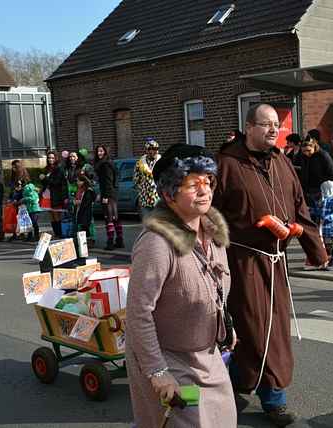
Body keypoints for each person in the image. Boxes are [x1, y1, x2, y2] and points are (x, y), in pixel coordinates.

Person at [213, 103, 328, 426]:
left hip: (276, 263)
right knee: (254, 328)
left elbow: (299, 206)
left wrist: (312, 245)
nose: (274, 130)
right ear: (249, 127)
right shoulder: (226, 164)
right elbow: (209, 215)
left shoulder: (282, 162)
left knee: (274, 329)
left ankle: (235, 380)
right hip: (241, 261)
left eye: (276, 124)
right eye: (266, 125)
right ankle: (270, 397)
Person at [127, 144, 237, 428]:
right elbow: (138, 313)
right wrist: (157, 371)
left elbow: (216, 289)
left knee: (223, 419)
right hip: (169, 359)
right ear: (168, 193)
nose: (204, 190)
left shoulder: (212, 232)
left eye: (207, 181)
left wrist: (226, 326)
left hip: (209, 356)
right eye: (192, 183)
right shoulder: (156, 243)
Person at [294, 138, 333, 224]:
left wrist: (323, 182)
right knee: (310, 215)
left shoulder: (323, 155)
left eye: (308, 150)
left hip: (320, 190)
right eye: (304, 151)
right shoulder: (302, 157)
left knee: (322, 216)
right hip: (308, 190)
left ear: (314, 147)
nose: (306, 153)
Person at [94, 145, 124, 250]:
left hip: (108, 194)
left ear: (105, 152)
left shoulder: (105, 164)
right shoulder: (110, 162)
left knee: (109, 218)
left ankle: (110, 242)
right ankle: (119, 240)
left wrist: (105, 195)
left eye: (101, 151)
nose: (99, 153)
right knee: (115, 217)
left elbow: (107, 181)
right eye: (98, 151)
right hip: (112, 193)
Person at [313, 180, 333, 271]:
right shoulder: (321, 201)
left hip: (331, 228)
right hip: (323, 228)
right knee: (325, 244)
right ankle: (327, 260)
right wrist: (312, 211)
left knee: (332, 244)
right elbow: (318, 211)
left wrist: (326, 217)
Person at [40, 151, 67, 238]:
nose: (50, 159)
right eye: (49, 158)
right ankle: (56, 233)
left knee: (56, 214)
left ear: (56, 158)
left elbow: (57, 182)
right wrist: (42, 179)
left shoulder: (59, 168)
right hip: (47, 194)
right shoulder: (46, 168)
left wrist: (46, 178)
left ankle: (59, 233)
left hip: (56, 194)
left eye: (52, 158)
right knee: (51, 215)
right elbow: (45, 183)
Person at [133, 139, 161, 219]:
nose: (152, 151)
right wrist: (142, 189)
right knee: (148, 224)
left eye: (155, 149)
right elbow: (136, 179)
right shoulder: (140, 163)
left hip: (159, 199)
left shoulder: (162, 162)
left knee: (159, 224)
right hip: (145, 199)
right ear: (146, 150)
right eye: (149, 149)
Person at [74, 175, 96, 247]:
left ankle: (89, 241)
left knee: (87, 226)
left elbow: (87, 201)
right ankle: (83, 242)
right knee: (82, 226)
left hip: (86, 212)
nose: (77, 182)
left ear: (83, 181)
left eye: (78, 181)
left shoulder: (88, 190)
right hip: (80, 210)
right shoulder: (80, 189)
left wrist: (79, 202)